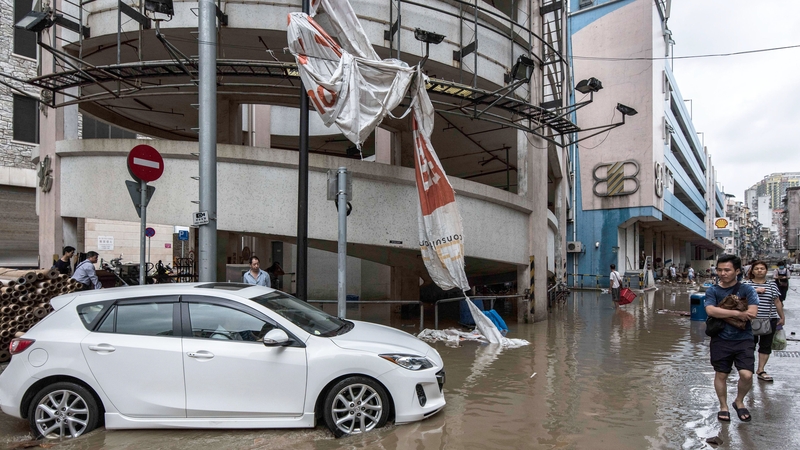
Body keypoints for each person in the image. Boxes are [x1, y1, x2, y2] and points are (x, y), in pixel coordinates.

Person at [704, 254, 759, 422]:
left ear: (737, 271)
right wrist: (736, 313)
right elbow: (710, 311)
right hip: (720, 339)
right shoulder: (712, 290)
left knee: (747, 375)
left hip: (744, 339)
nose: (722, 273)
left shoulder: (747, 290)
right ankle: (723, 406)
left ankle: (739, 401)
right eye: (719, 270)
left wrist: (724, 313)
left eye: (727, 270)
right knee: (721, 374)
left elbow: (752, 313)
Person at [744, 260, 785, 382]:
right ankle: (748, 370)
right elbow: (739, 299)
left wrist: (781, 316)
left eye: (762, 268)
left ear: (766, 270)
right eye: (757, 269)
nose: (760, 270)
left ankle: (761, 370)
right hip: (750, 320)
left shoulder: (772, 285)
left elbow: (777, 301)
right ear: (752, 271)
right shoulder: (746, 285)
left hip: (769, 319)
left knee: (765, 346)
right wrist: (755, 291)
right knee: (749, 346)